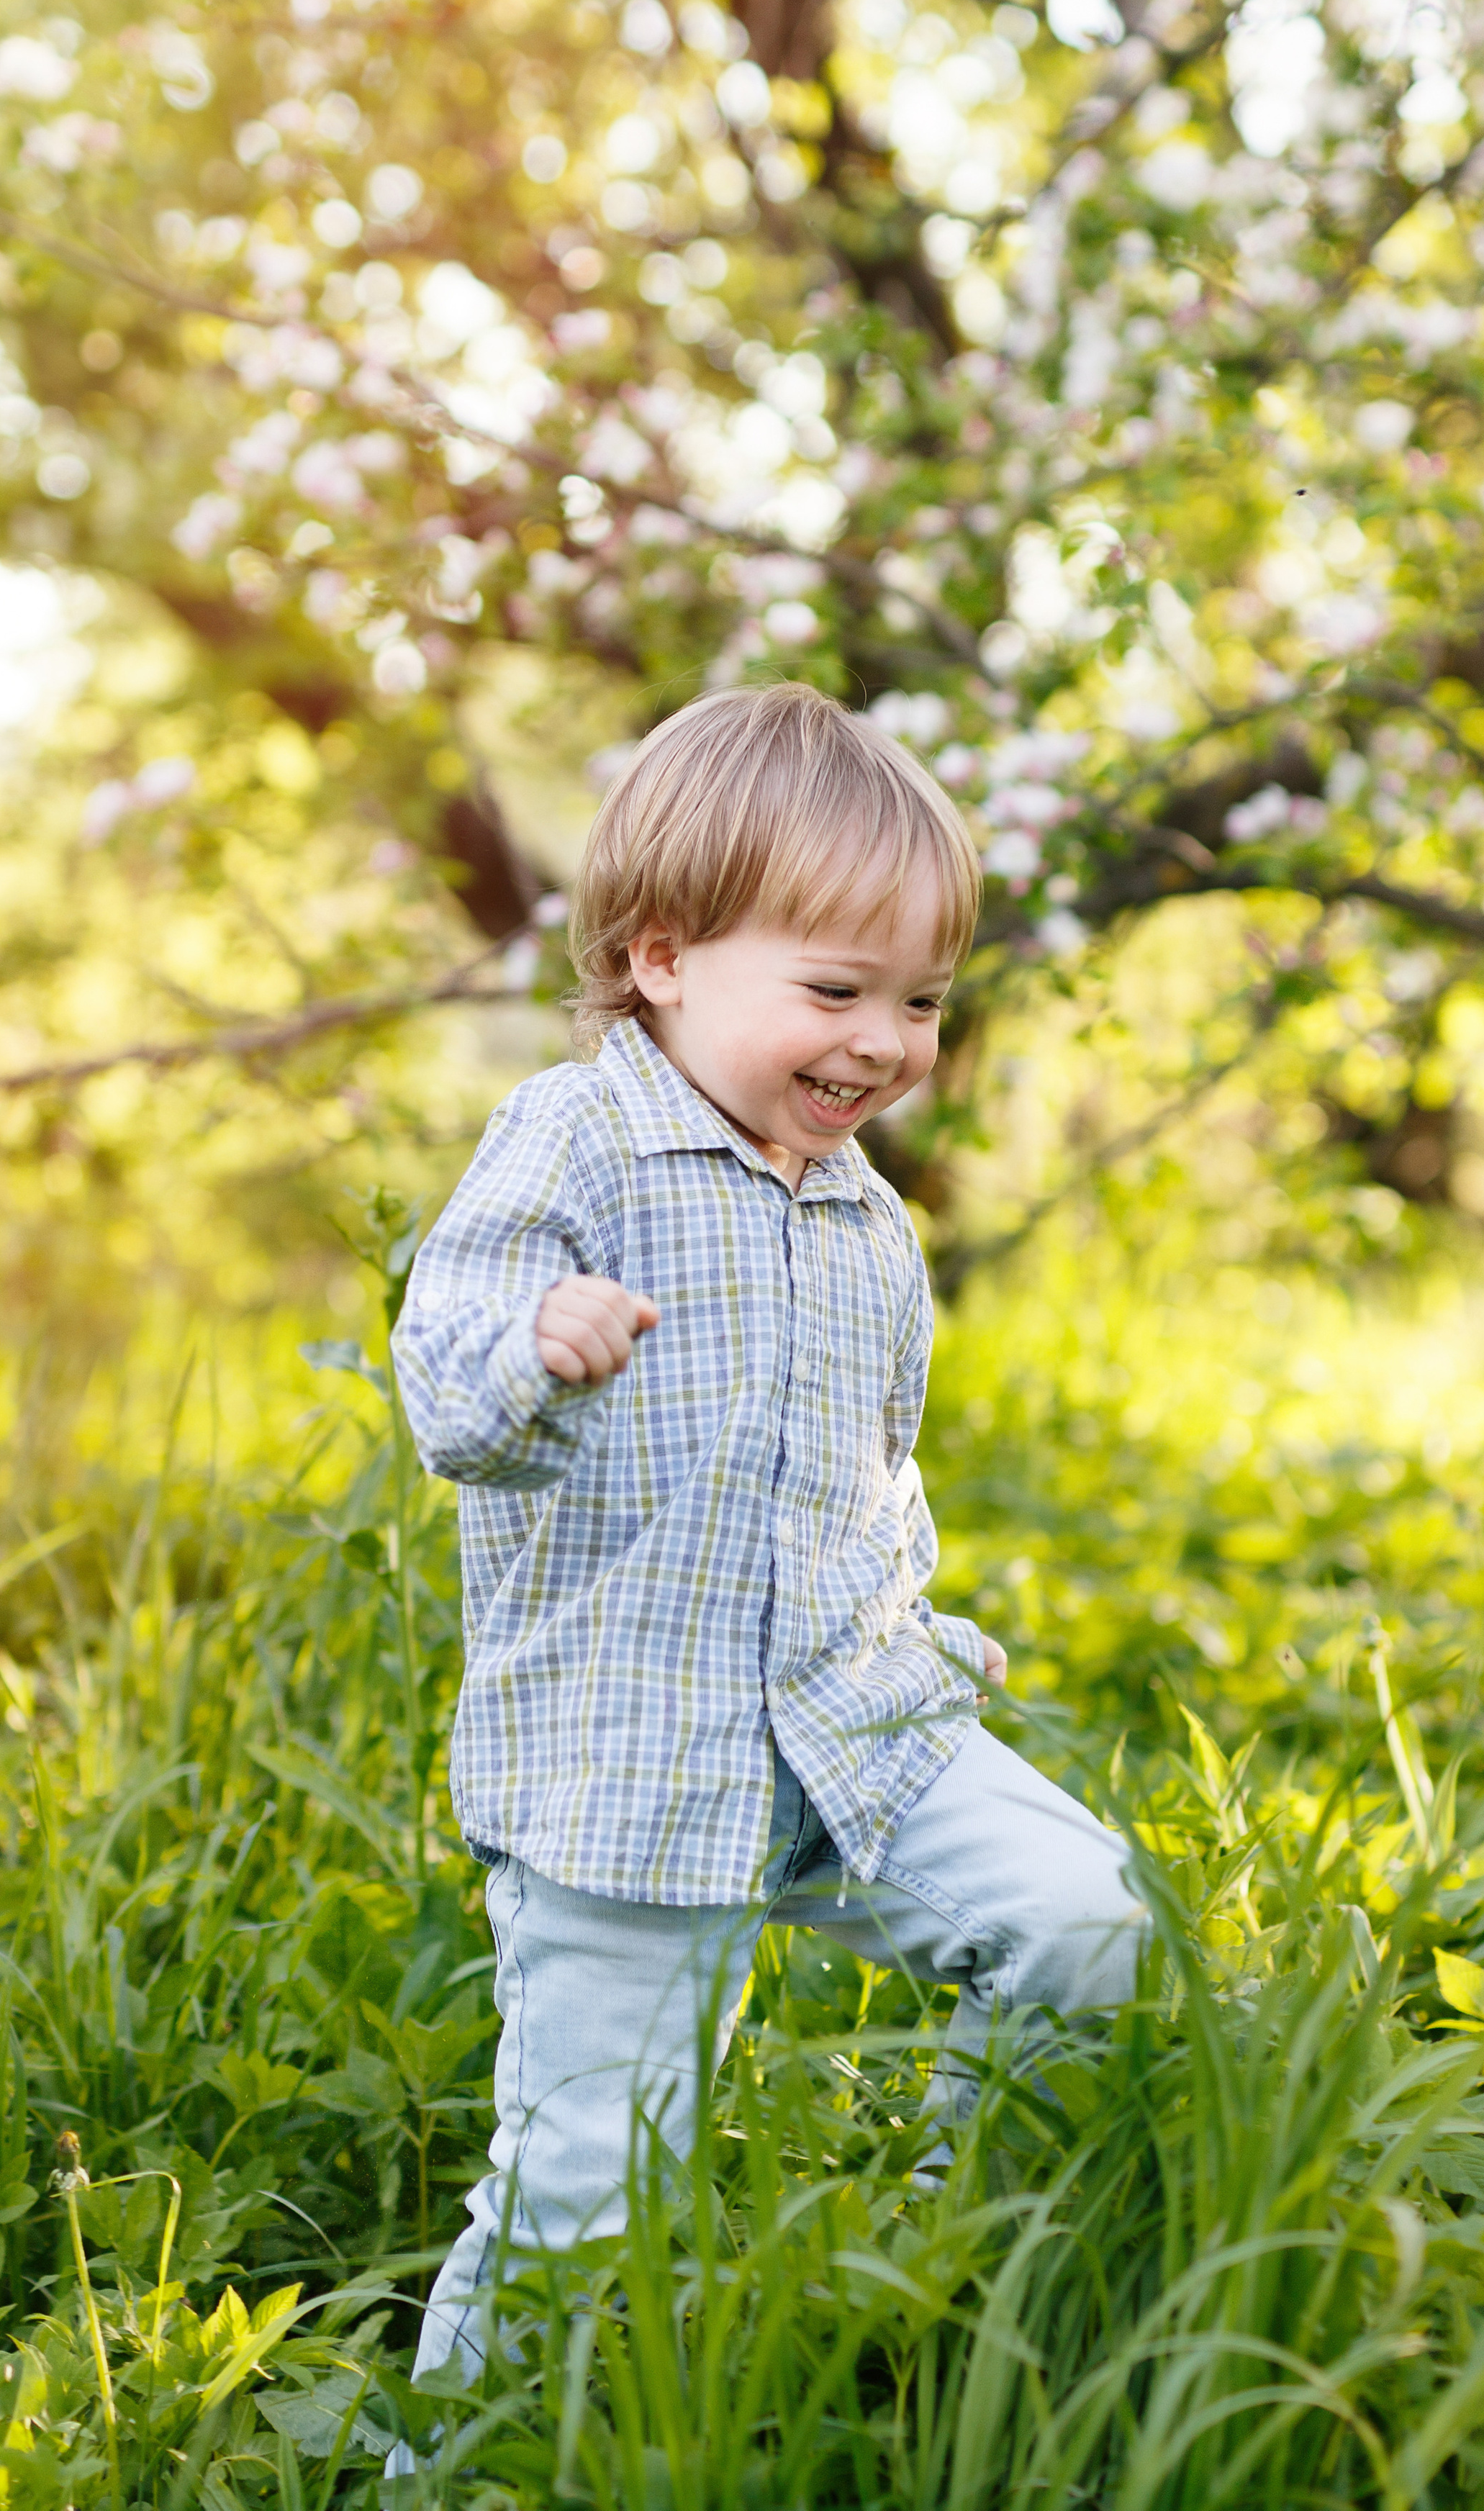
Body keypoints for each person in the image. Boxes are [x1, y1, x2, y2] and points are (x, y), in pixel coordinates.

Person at [387, 684, 1144, 2438]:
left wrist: (910, 1620)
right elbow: (445, 1378)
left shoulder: (865, 1210)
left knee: (1083, 1925)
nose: (881, 1040)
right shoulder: (574, 1141)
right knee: (591, 2198)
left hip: (852, 1724)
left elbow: (863, 1470)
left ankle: (941, 2266)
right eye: (833, 991)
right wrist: (536, 1343)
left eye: (920, 1001)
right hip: (629, 1766)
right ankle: (465, 2461)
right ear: (660, 958)